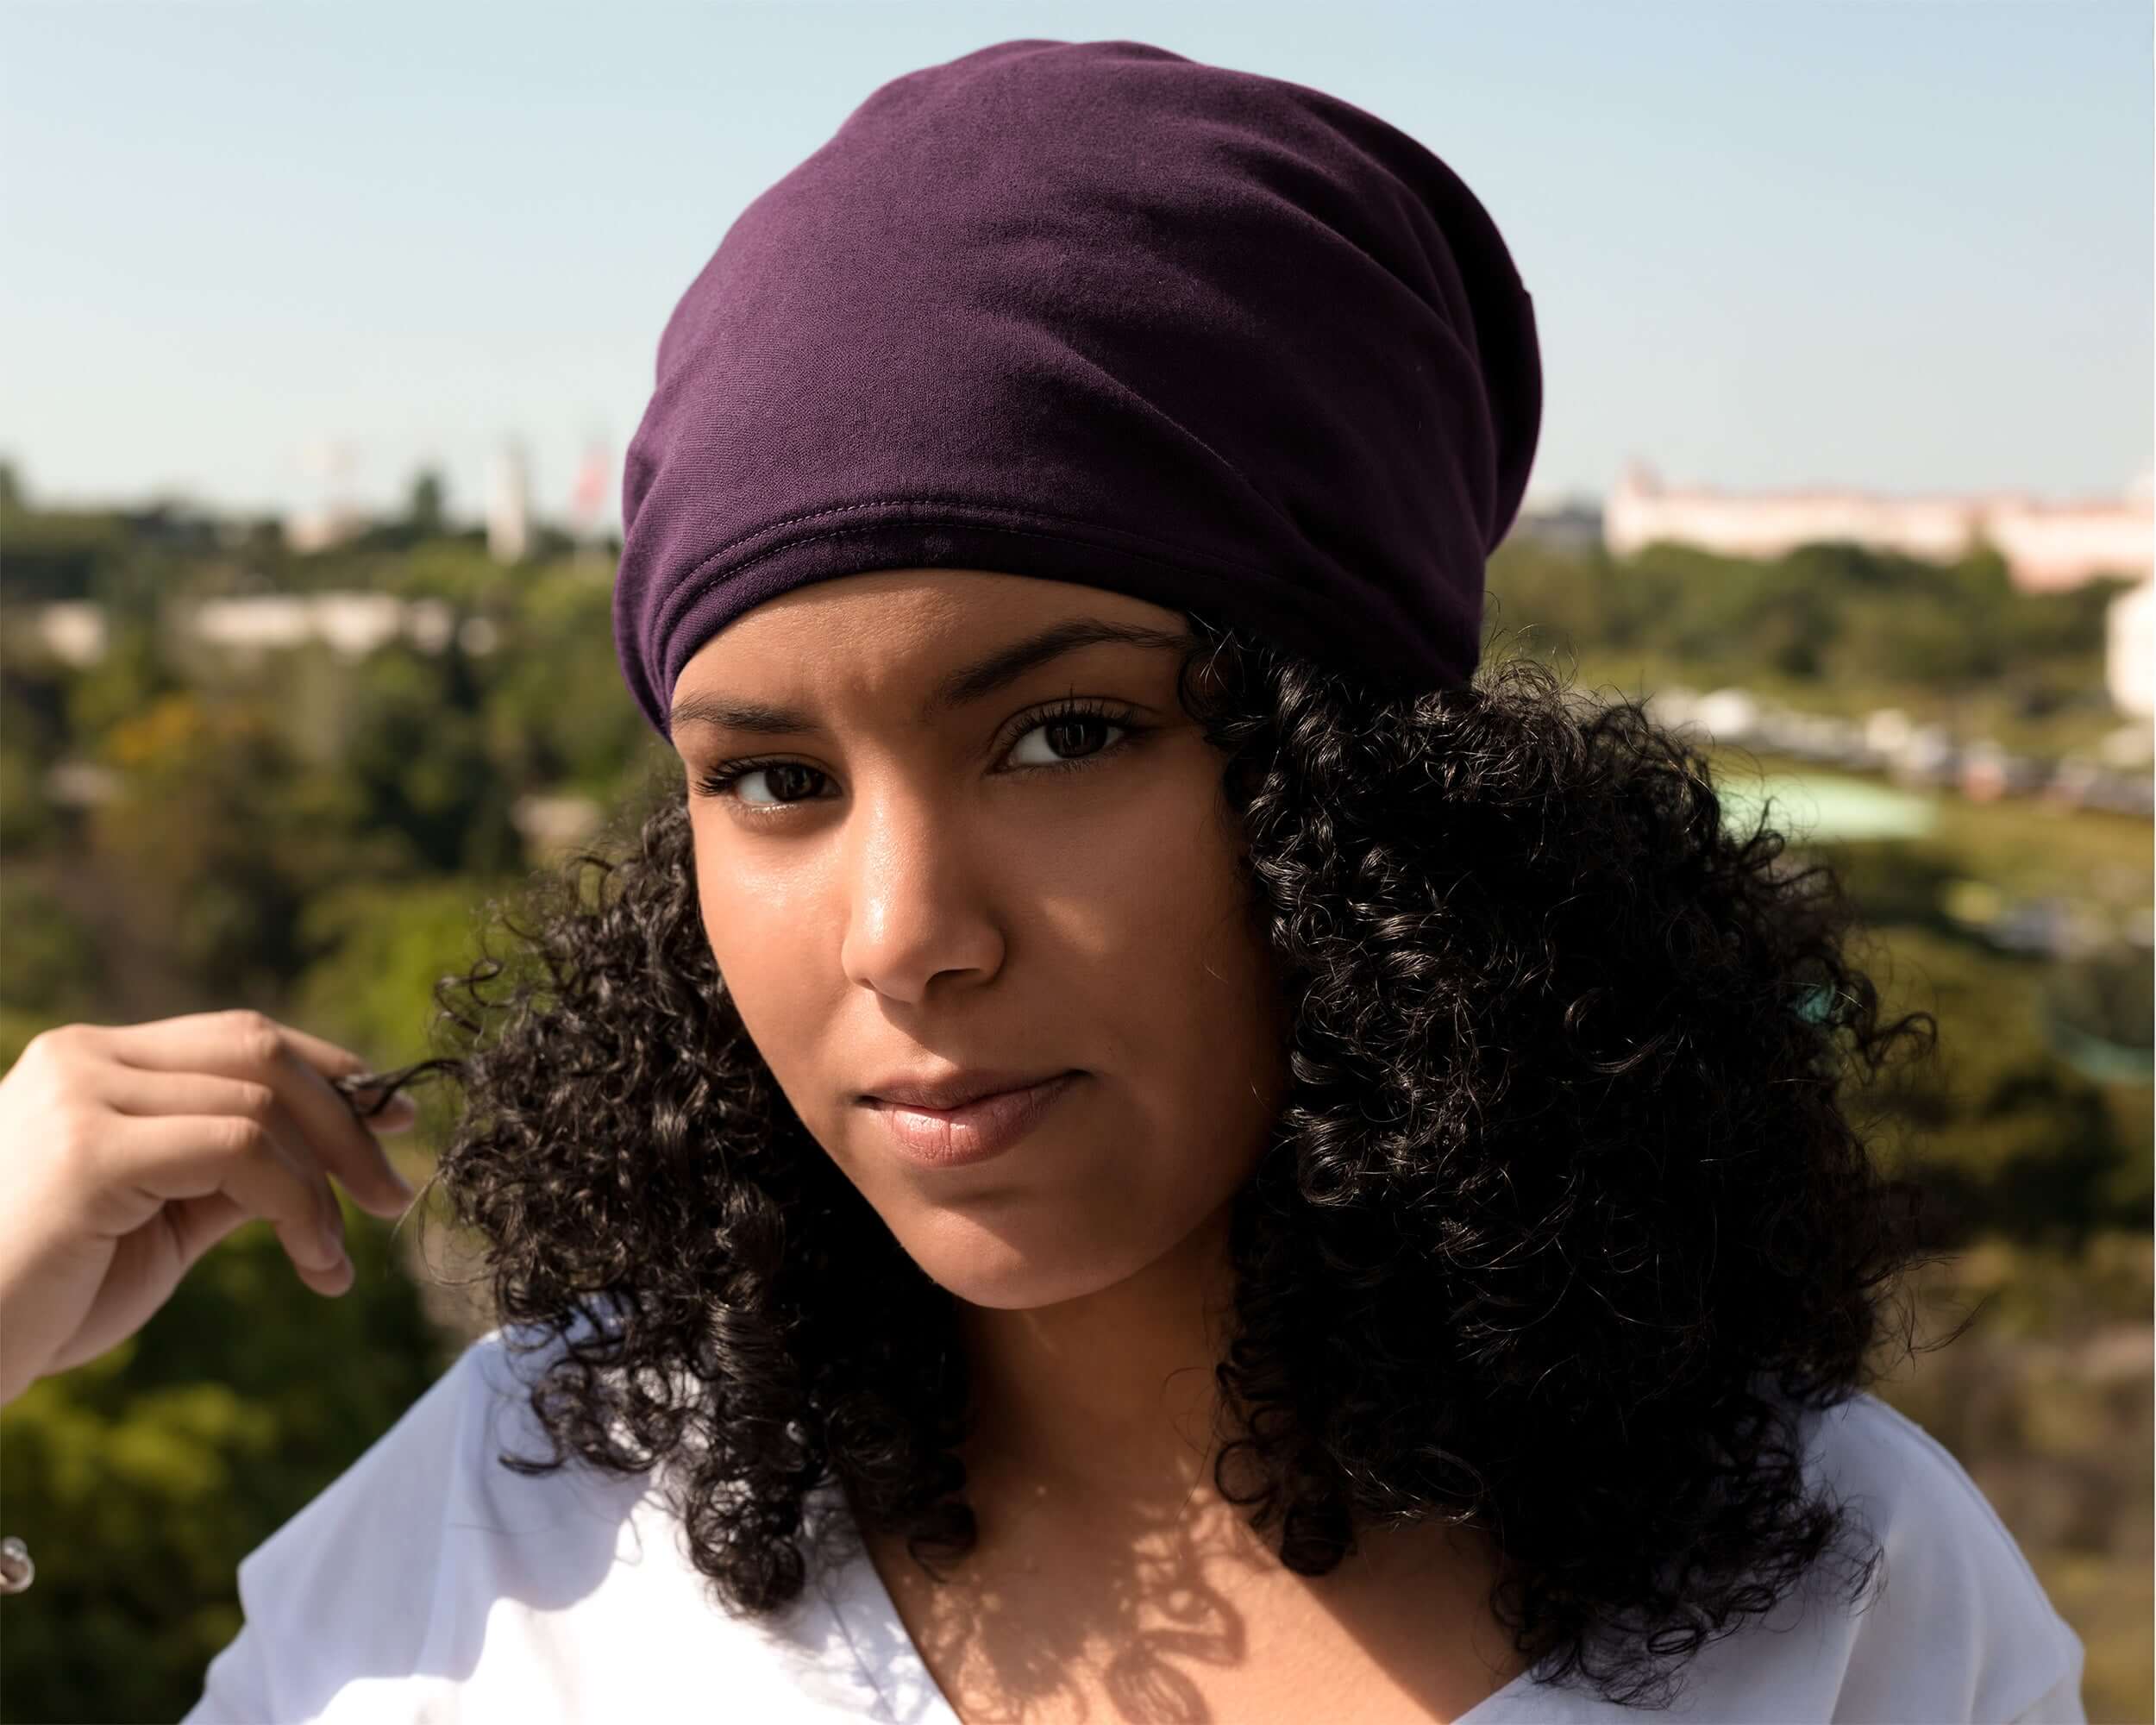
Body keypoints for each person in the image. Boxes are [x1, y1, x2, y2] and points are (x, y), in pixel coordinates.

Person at [0, 38, 2085, 1725]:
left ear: (1375, 794)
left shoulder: (1845, 1598)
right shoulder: (520, 1520)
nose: (904, 934)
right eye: (774, 780)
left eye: (1064, 735)